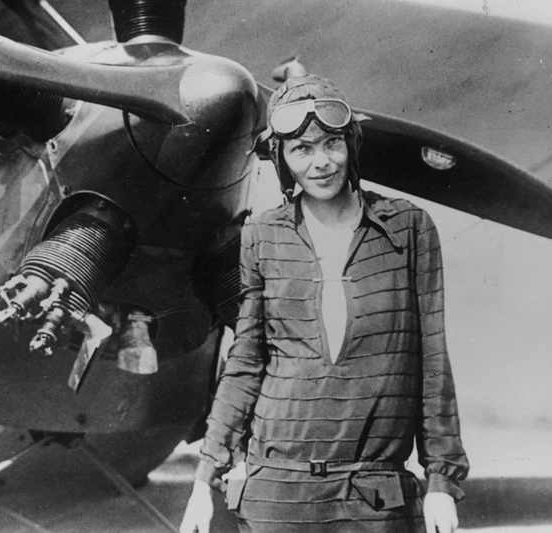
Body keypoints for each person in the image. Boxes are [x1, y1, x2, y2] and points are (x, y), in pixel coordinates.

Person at [180, 74, 469, 533]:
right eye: (301, 149)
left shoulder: (409, 229)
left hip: (375, 495)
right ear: (282, 159)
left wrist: (441, 479)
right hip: (276, 493)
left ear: (352, 143)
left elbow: (432, 360)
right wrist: (204, 477)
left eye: (331, 143)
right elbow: (247, 362)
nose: (321, 163)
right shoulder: (262, 235)